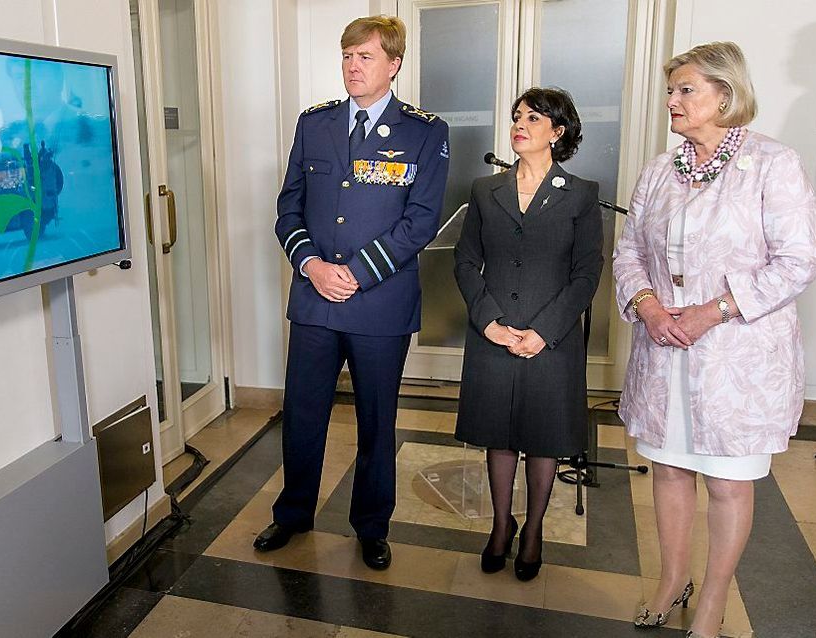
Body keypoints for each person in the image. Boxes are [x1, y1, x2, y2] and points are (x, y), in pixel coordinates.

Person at [612, 42, 816, 638]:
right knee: (670, 469)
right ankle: (673, 578)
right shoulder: (660, 168)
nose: (672, 101)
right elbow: (629, 251)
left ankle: (714, 598)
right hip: (664, 347)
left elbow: (797, 260)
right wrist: (648, 306)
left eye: (686, 90)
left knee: (728, 481)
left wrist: (715, 310)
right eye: (670, 90)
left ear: (725, 96)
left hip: (737, 356)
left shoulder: (772, 163)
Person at [255, 15, 449, 570]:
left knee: (375, 422)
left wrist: (358, 274)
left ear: (394, 64)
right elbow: (287, 206)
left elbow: (421, 221)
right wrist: (311, 264)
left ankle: (371, 525)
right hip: (315, 299)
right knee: (304, 415)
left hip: (380, 304)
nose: (352, 66)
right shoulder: (315, 124)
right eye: (346, 56)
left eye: (364, 57)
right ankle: (293, 514)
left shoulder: (424, 132)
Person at [453, 87, 603, 582]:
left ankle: (533, 531)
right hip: (493, 333)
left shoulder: (580, 193)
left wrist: (544, 332)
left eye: (533, 118)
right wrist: (489, 322)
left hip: (550, 341)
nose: (519, 124)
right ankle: (501, 524)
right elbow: (465, 261)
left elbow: (586, 273)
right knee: (498, 435)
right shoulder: (483, 189)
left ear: (557, 133)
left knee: (542, 439)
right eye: (516, 116)